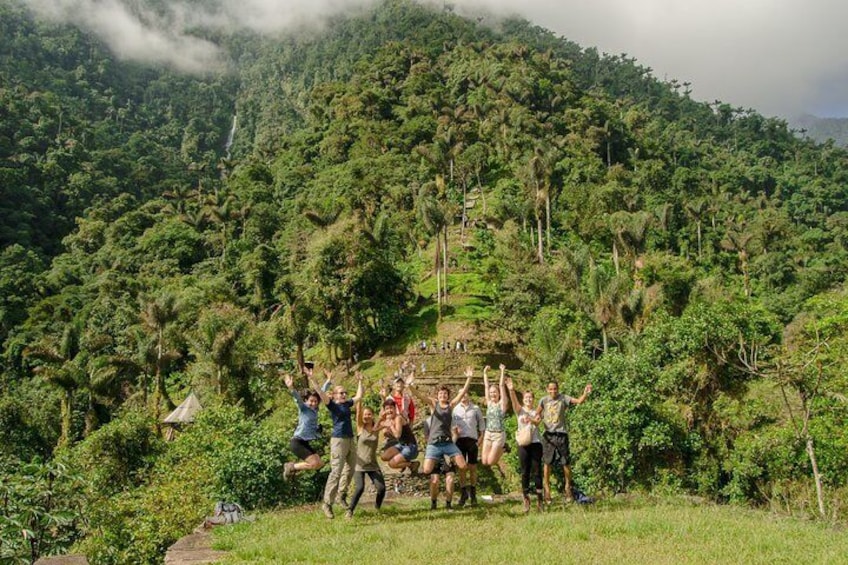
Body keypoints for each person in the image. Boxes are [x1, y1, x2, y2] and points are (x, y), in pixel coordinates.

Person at [407, 367, 473, 510]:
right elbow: (419, 396)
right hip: (434, 444)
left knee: (463, 466)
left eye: (445, 393)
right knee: (427, 470)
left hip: (448, 443)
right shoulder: (434, 404)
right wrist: (410, 386)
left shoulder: (451, 405)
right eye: (440, 393)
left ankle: (459, 493)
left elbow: (461, 396)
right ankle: (434, 503)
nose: (443, 395)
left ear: (448, 396)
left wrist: (469, 378)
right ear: (438, 395)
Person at [310, 368, 363, 519]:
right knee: (336, 472)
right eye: (341, 393)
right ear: (333, 395)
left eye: (345, 392)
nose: (344, 394)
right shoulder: (332, 404)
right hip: (338, 440)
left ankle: (341, 495)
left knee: (350, 469)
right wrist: (313, 379)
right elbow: (320, 393)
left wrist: (360, 380)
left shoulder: (347, 404)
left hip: (350, 439)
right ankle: (327, 503)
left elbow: (359, 396)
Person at [537, 380, 592, 503]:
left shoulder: (563, 398)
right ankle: (547, 490)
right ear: (547, 389)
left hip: (561, 434)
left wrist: (585, 393)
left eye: (555, 389)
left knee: (565, 463)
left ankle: (568, 488)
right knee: (547, 463)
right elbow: (537, 414)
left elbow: (579, 401)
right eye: (550, 389)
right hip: (548, 436)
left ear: (558, 389)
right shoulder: (543, 400)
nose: (553, 391)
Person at [346, 392, 389, 519]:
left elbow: (383, 414)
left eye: (369, 414)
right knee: (359, 488)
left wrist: (383, 398)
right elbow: (358, 413)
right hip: (359, 465)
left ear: (372, 416)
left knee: (381, 488)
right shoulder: (360, 428)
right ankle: (350, 511)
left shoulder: (376, 428)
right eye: (365, 414)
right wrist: (359, 398)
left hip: (372, 464)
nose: (367, 416)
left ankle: (377, 508)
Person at [506, 377, 543, 513]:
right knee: (524, 472)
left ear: (533, 400)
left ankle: (540, 499)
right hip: (523, 444)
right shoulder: (519, 411)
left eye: (530, 398)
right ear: (523, 400)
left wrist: (531, 419)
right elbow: (514, 402)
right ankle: (526, 498)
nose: (528, 399)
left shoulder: (536, 412)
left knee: (537, 471)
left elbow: (538, 422)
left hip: (536, 444)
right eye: (526, 398)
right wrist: (511, 390)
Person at [282, 372, 324, 481]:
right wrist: (291, 387)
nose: (313, 403)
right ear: (306, 401)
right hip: (297, 442)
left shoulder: (315, 410)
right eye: (311, 401)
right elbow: (297, 399)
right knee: (314, 463)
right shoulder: (304, 408)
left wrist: (328, 381)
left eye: (315, 401)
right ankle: (292, 467)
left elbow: (321, 392)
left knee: (319, 463)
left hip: (305, 442)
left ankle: (295, 469)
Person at [452, 390, 485, 507]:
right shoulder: (455, 409)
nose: (463, 396)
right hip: (460, 441)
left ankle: (473, 494)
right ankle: (463, 493)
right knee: (461, 468)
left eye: (465, 393)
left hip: (472, 441)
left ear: (468, 395)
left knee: (472, 468)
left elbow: (481, 424)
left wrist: (480, 440)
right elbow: (451, 424)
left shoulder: (475, 408)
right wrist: (454, 432)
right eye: (461, 394)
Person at [480, 364, 509, 468]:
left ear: (499, 394)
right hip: (488, 433)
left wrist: (502, 371)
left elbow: (501, 386)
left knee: (491, 461)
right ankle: (502, 449)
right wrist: (484, 373)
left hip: (498, 435)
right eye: (491, 392)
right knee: (484, 461)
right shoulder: (489, 403)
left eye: (495, 392)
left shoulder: (502, 404)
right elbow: (486, 386)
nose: (492, 394)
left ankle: (503, 448)